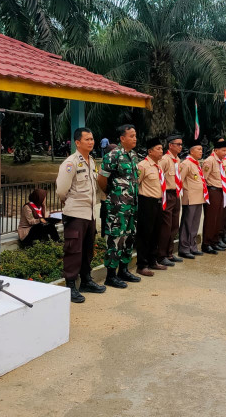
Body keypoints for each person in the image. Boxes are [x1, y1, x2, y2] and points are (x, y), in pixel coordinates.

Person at [55, 127, 106, 303]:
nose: (91, 142)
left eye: (92, 139)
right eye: (87, 139)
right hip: (76, 213)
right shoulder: (70, 163)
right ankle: (70, 286)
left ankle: (86, 280)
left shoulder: (91, 161)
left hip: (89, 213)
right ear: (78, 143)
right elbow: (61, 190)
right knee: (73, 250)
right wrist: (68, 201)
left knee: (87, 250)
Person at [98, 124, 141, 288]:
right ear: (122, 138)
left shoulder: (134, 156)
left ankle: (124, 269)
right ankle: (111, 275)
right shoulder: (112, 156)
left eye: (135, 135)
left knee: (129, 237)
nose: (134, 138)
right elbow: (102, 179)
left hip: (132, 205)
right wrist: (111, 194)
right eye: (131, 136)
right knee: (115, 238)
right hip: (117, 206)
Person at [135, 137, 166, 276]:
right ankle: (142, 265)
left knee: (156, 233)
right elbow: (136, 184)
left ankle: (153, 261)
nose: (161, 151)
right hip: (146, 202)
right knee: (144, 234)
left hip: (158, 202)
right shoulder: (143, 166)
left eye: (161, 148)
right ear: (150, 151)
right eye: (158, 149)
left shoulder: (158, 166)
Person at [157, 134, 183, 267]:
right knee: (166, 226)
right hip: (167, 193)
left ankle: (170, 253)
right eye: (178, 144)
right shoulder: (165, 159)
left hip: (176, 193)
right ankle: (161, 255)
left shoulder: (177, 159)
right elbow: (159, 176)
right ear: (170, 145)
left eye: (181, 144)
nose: (180, 146)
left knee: (174, 225)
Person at [178, 139, 206, 259]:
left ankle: (193, 246)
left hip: (198, 198)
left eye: (201, 149)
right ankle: (184, 248)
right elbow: (180, 180)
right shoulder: (186, 163)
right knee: (187, 224)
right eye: (198, 149)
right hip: (190, 199)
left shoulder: (196, 163)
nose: (201, 152)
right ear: (191, 151)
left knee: (195, 224)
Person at [201, 139, 226, 254]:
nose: (225, 153)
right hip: (212, 191)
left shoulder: (220, 161)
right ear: (216, 150)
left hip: (221, 191)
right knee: (211, 219)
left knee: (218, 218)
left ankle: (215, 241)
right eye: (223, 150)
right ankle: (206, 244)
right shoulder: (210, 161)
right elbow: (204, 178)